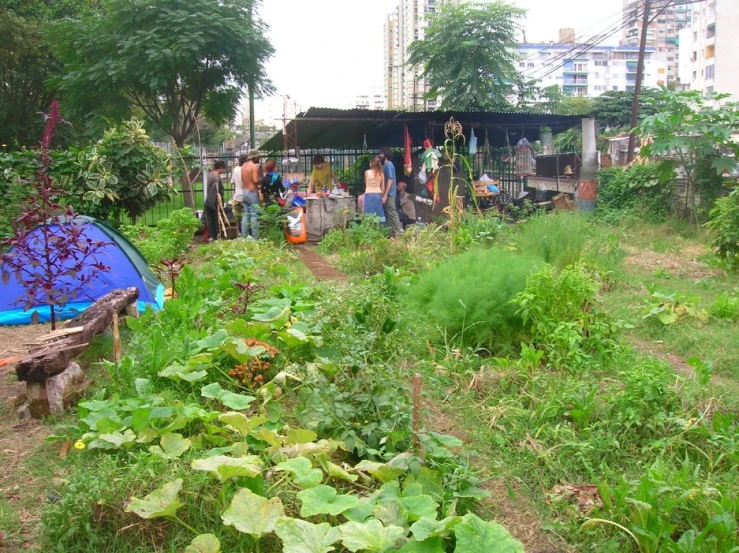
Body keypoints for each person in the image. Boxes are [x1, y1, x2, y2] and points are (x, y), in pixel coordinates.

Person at [379, 147, 402, 235]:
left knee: (392, 213)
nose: (380, 155)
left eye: (381, 154)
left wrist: (385, 195)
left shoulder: (389, 165)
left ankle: (398, 233)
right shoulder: (385, 165)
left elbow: (390, 180)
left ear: (385, 155)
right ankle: (392, 233)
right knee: (388, 214)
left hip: (389, 194)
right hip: (387, 193)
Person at [241, 149, 262, 239]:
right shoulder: (254, 166)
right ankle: (255, 237)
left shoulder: (243, 166)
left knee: (246, 215)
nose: (259, 159)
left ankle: (244, 236)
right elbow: (255, 180)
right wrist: (262, 179)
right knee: (254, 216)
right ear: (255, 157)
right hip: (252, 192)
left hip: (244, 192)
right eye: (258, 157)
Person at [204, 160, 226, 242]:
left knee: (210, 220)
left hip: (209, 202)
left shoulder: (210, 174)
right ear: (220, 168)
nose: (223, 171)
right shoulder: (216, 178)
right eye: (223, 169)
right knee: (217, 220)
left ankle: (211, 237)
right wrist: (214, 204)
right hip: (215, 202)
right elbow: (214, 192)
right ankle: (218, 236)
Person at [362, 157, 385, 222]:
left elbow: (366, 182)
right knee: (378, 213)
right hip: (378, 194)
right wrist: (382, 196)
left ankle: (370, 228)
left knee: (369, 213)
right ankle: (378, 229)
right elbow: (383, 187)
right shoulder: (381, 173)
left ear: (372, 164)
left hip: (369, 194)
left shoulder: (367, 172)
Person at [230, 155, 247, 236]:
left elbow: (232, 182)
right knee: (247, 215)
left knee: (238, 217)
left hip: (237, 196)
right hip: (246, 196)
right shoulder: (247, 169)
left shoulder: (235, 169)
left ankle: (239, 232)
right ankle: (246, 233)